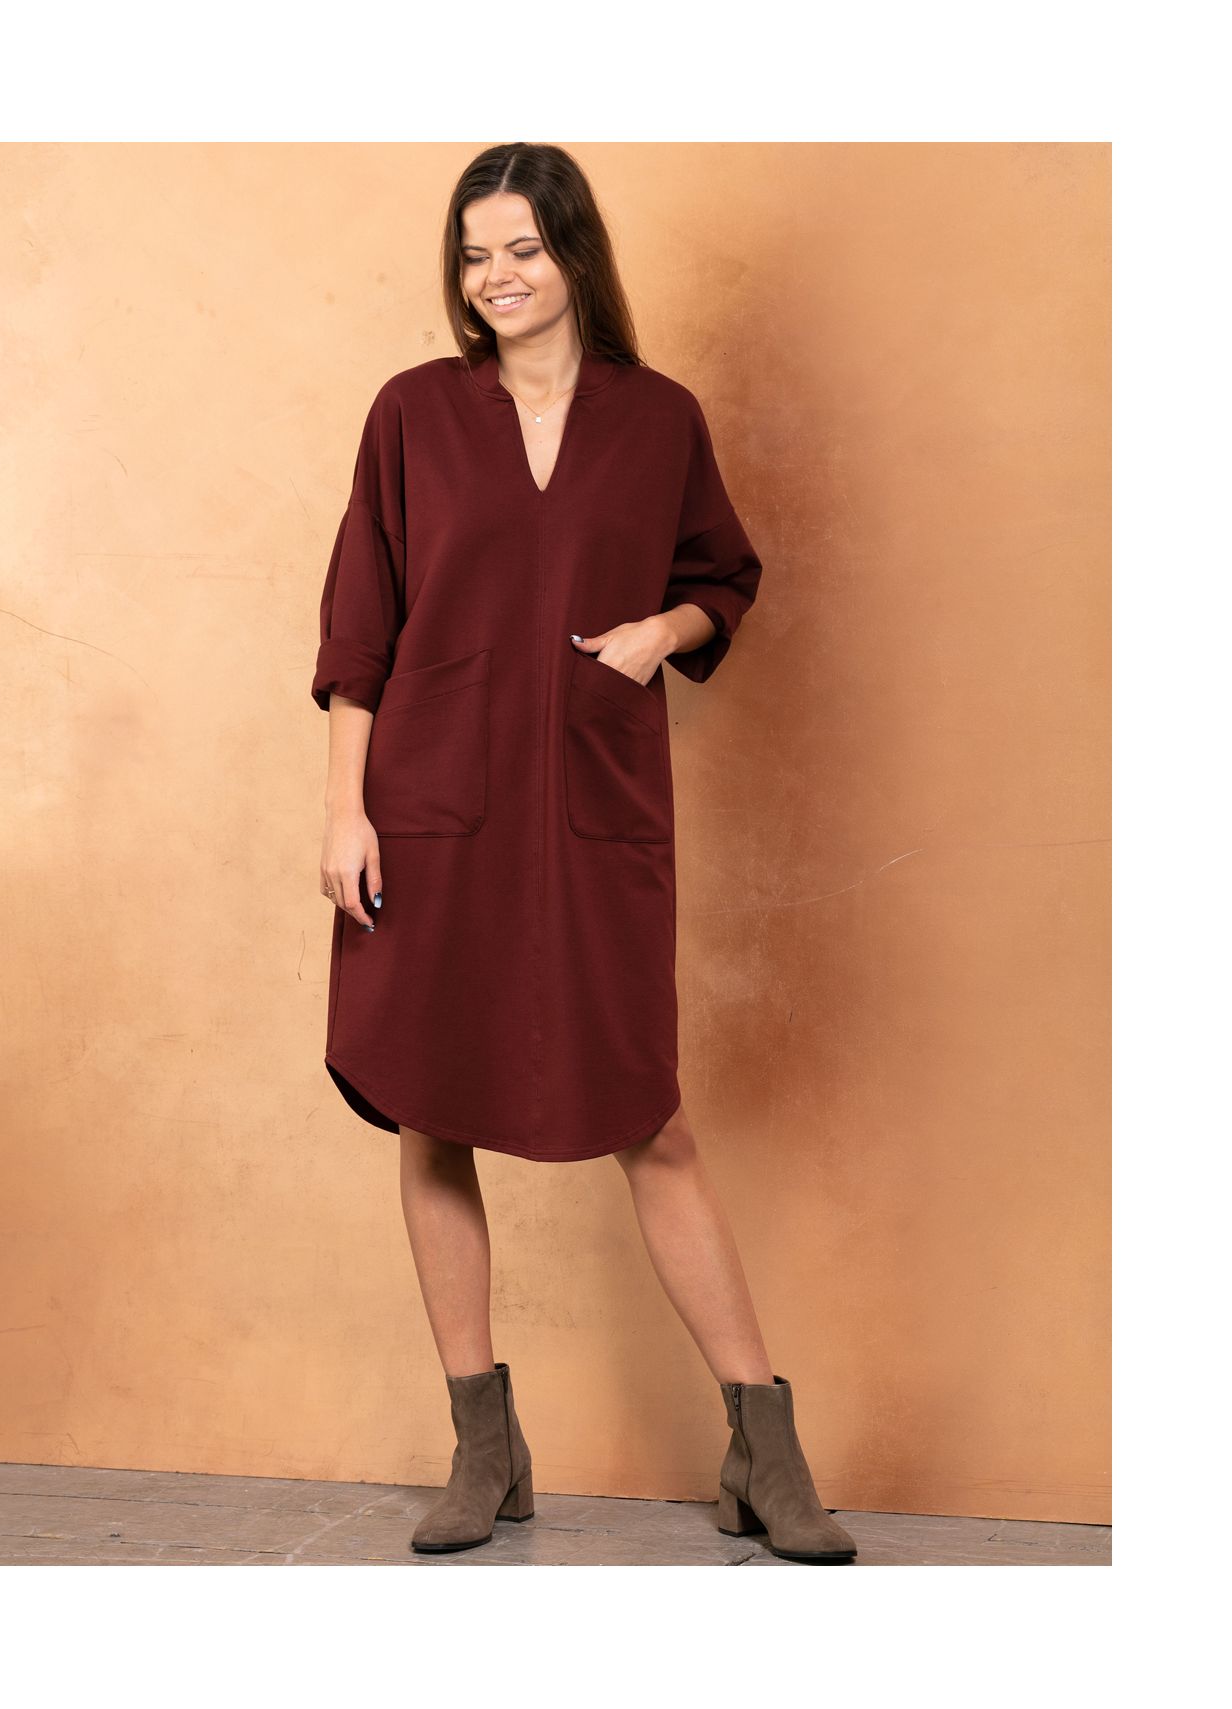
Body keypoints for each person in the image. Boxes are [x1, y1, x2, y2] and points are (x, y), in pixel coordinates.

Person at [311, 142, 856, 1566]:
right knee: (432, 1108)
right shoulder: (413, 413)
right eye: (474, 254)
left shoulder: (659, 419)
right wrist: (345, 808)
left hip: (595, 806)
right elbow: (360, 623)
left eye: (522, 249)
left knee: (646, 1114)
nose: (495, 277)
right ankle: (483, 1447)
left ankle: (764, 1444)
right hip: (432, 807)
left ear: (572, 254)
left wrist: (660, 634)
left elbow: (723, 575)